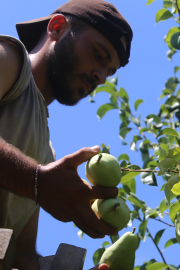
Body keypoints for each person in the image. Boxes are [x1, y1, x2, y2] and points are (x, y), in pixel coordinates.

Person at [0, 0, 133, 269]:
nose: (101, 76)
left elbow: (21, 254)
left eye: (109, 71)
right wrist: (36, 181)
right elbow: (35, 180)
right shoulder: (9, 59)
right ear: (57, 27)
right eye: (99, 55)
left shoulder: (46, 155)